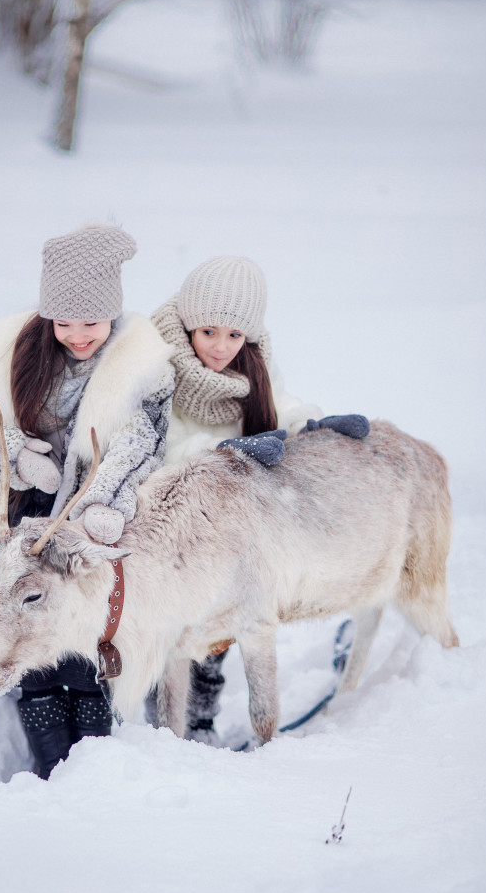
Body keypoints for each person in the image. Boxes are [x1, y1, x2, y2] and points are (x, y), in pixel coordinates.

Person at [0, 224, 174, 778]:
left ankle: (91, 768)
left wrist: (106, 502)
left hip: (82, 527)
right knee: (22, 645)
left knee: (83, 648)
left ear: (114, 315)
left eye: (92, 322)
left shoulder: (141, 368)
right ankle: (50, 766)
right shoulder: (16, 353)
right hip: (13, 522)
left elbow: (143, 442)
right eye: (65, 322)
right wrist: (15, 457)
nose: (78, 335)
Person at [150, 254, 363, 744]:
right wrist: (219, 451)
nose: (221, 347)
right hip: (176, 520)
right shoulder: (161, 370)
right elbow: (157, 444)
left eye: (233, 335)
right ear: (187, 325)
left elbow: (276, 406)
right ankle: (165, 725)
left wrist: (308, 423)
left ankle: (201, 720)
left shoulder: (254, 362)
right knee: (175, 634)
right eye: (208, 333)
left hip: (231, 526)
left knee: (221, 631)